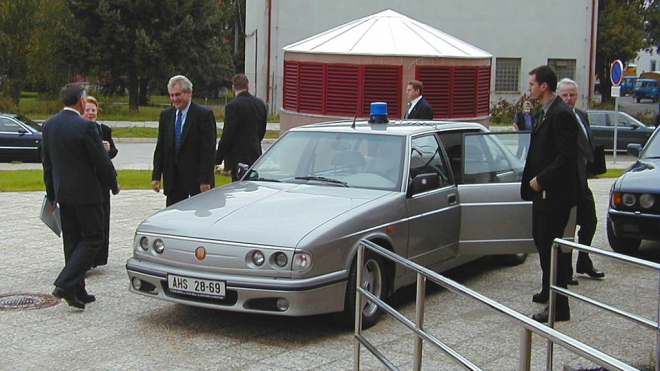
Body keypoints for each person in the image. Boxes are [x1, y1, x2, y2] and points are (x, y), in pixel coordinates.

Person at [42, 83, 120, 309]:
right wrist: (113, 184)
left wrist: (52, 193)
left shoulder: (49, 125)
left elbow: (47, 163)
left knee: (73, 241)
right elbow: (100, 161)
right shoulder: (85, 127)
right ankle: (65, 283)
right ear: (80, 101)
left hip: (64, 193)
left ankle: (77, 290)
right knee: (94, 238)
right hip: (88, 194)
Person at [521, 66, 580, 323]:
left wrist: (541, 179)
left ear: (544, 86)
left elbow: (566, 156)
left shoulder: (561, 114)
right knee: (542, 243)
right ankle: (548, 290)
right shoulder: (545, 112)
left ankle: (560, 306)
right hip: (540, 193)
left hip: (553, 194)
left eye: (532, 83)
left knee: (550, 247)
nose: (530, 88)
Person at [557, 78, 605, 284]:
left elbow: (587, 143)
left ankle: (583, 261)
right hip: (566, 182)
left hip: (581, 178)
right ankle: (565, 271)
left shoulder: (582, 115)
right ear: (559, 96)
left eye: (572, 95)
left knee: (590, 222)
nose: (568, 99)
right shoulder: (557, 117)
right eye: (564, 95)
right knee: (567, 228)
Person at [152, 75, 217, 206]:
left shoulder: (203, 115)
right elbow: (161, 147)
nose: (174, 99)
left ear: (189, 93)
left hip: (196, 181)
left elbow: (208, 150)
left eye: (178, 95)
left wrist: (205, 180)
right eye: (171, 95)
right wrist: (156, 176)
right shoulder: (166, 116)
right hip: (173, 180)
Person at [83, 96, 118, 268]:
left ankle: (100, 257)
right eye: (87, 110)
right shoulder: (80, 130)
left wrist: (108, 149)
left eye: (93, 110)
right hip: (87, 180)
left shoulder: (104, 129)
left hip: (102, 180)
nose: (90, 114)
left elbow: (113, 152)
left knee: (104, 217)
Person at [216, 73, 267, 181]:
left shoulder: (233, 106)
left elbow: (228, 134)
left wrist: (218, 158)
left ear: (233, 87)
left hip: (237, 157)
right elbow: (262, 129)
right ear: (248, 86)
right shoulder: (260, 104)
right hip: (255, 154)